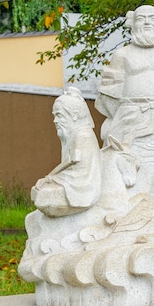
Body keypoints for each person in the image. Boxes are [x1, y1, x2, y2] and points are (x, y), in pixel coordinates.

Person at [96, 5, 154, 194]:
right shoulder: (122, 54)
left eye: (152, 18)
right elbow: (109, 92)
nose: (147, 22)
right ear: (132, 23)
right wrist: (122, 115)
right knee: (128, 161)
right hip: (132, 114)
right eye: (141, 19)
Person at [31, 87, 102, 217]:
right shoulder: (72, 134)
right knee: (40, 190)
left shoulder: (82, 134)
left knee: (44, 193)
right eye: (54, 116)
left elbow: (72, 161)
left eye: (59, 115)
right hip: (71, 178)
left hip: (81, 185)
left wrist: (50, 177)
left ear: (74, 115)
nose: (55, 120)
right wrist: (51, 178)